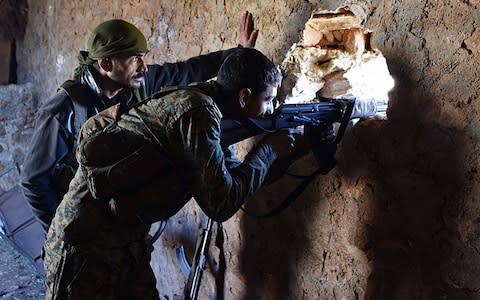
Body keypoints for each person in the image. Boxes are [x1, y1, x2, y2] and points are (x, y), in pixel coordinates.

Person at [43, 47, 336, 299]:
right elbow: (221, 203)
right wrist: (269, 150)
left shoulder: (211, 108)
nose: (272, 108)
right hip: (84, 245)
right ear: (244, 96)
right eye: (268, 99)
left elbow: (233, 178)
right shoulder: (198, 113)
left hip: (123, 241)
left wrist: (297, 149)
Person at [20, 12, 259, 232]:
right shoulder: (64, 110)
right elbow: (33, 182)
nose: (144, 67)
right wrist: (61, 233)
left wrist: (238, 54)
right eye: (135, 60)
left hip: (120, 221)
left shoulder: (137, 83)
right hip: (83, 224)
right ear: (106, 65)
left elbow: (187, 71)